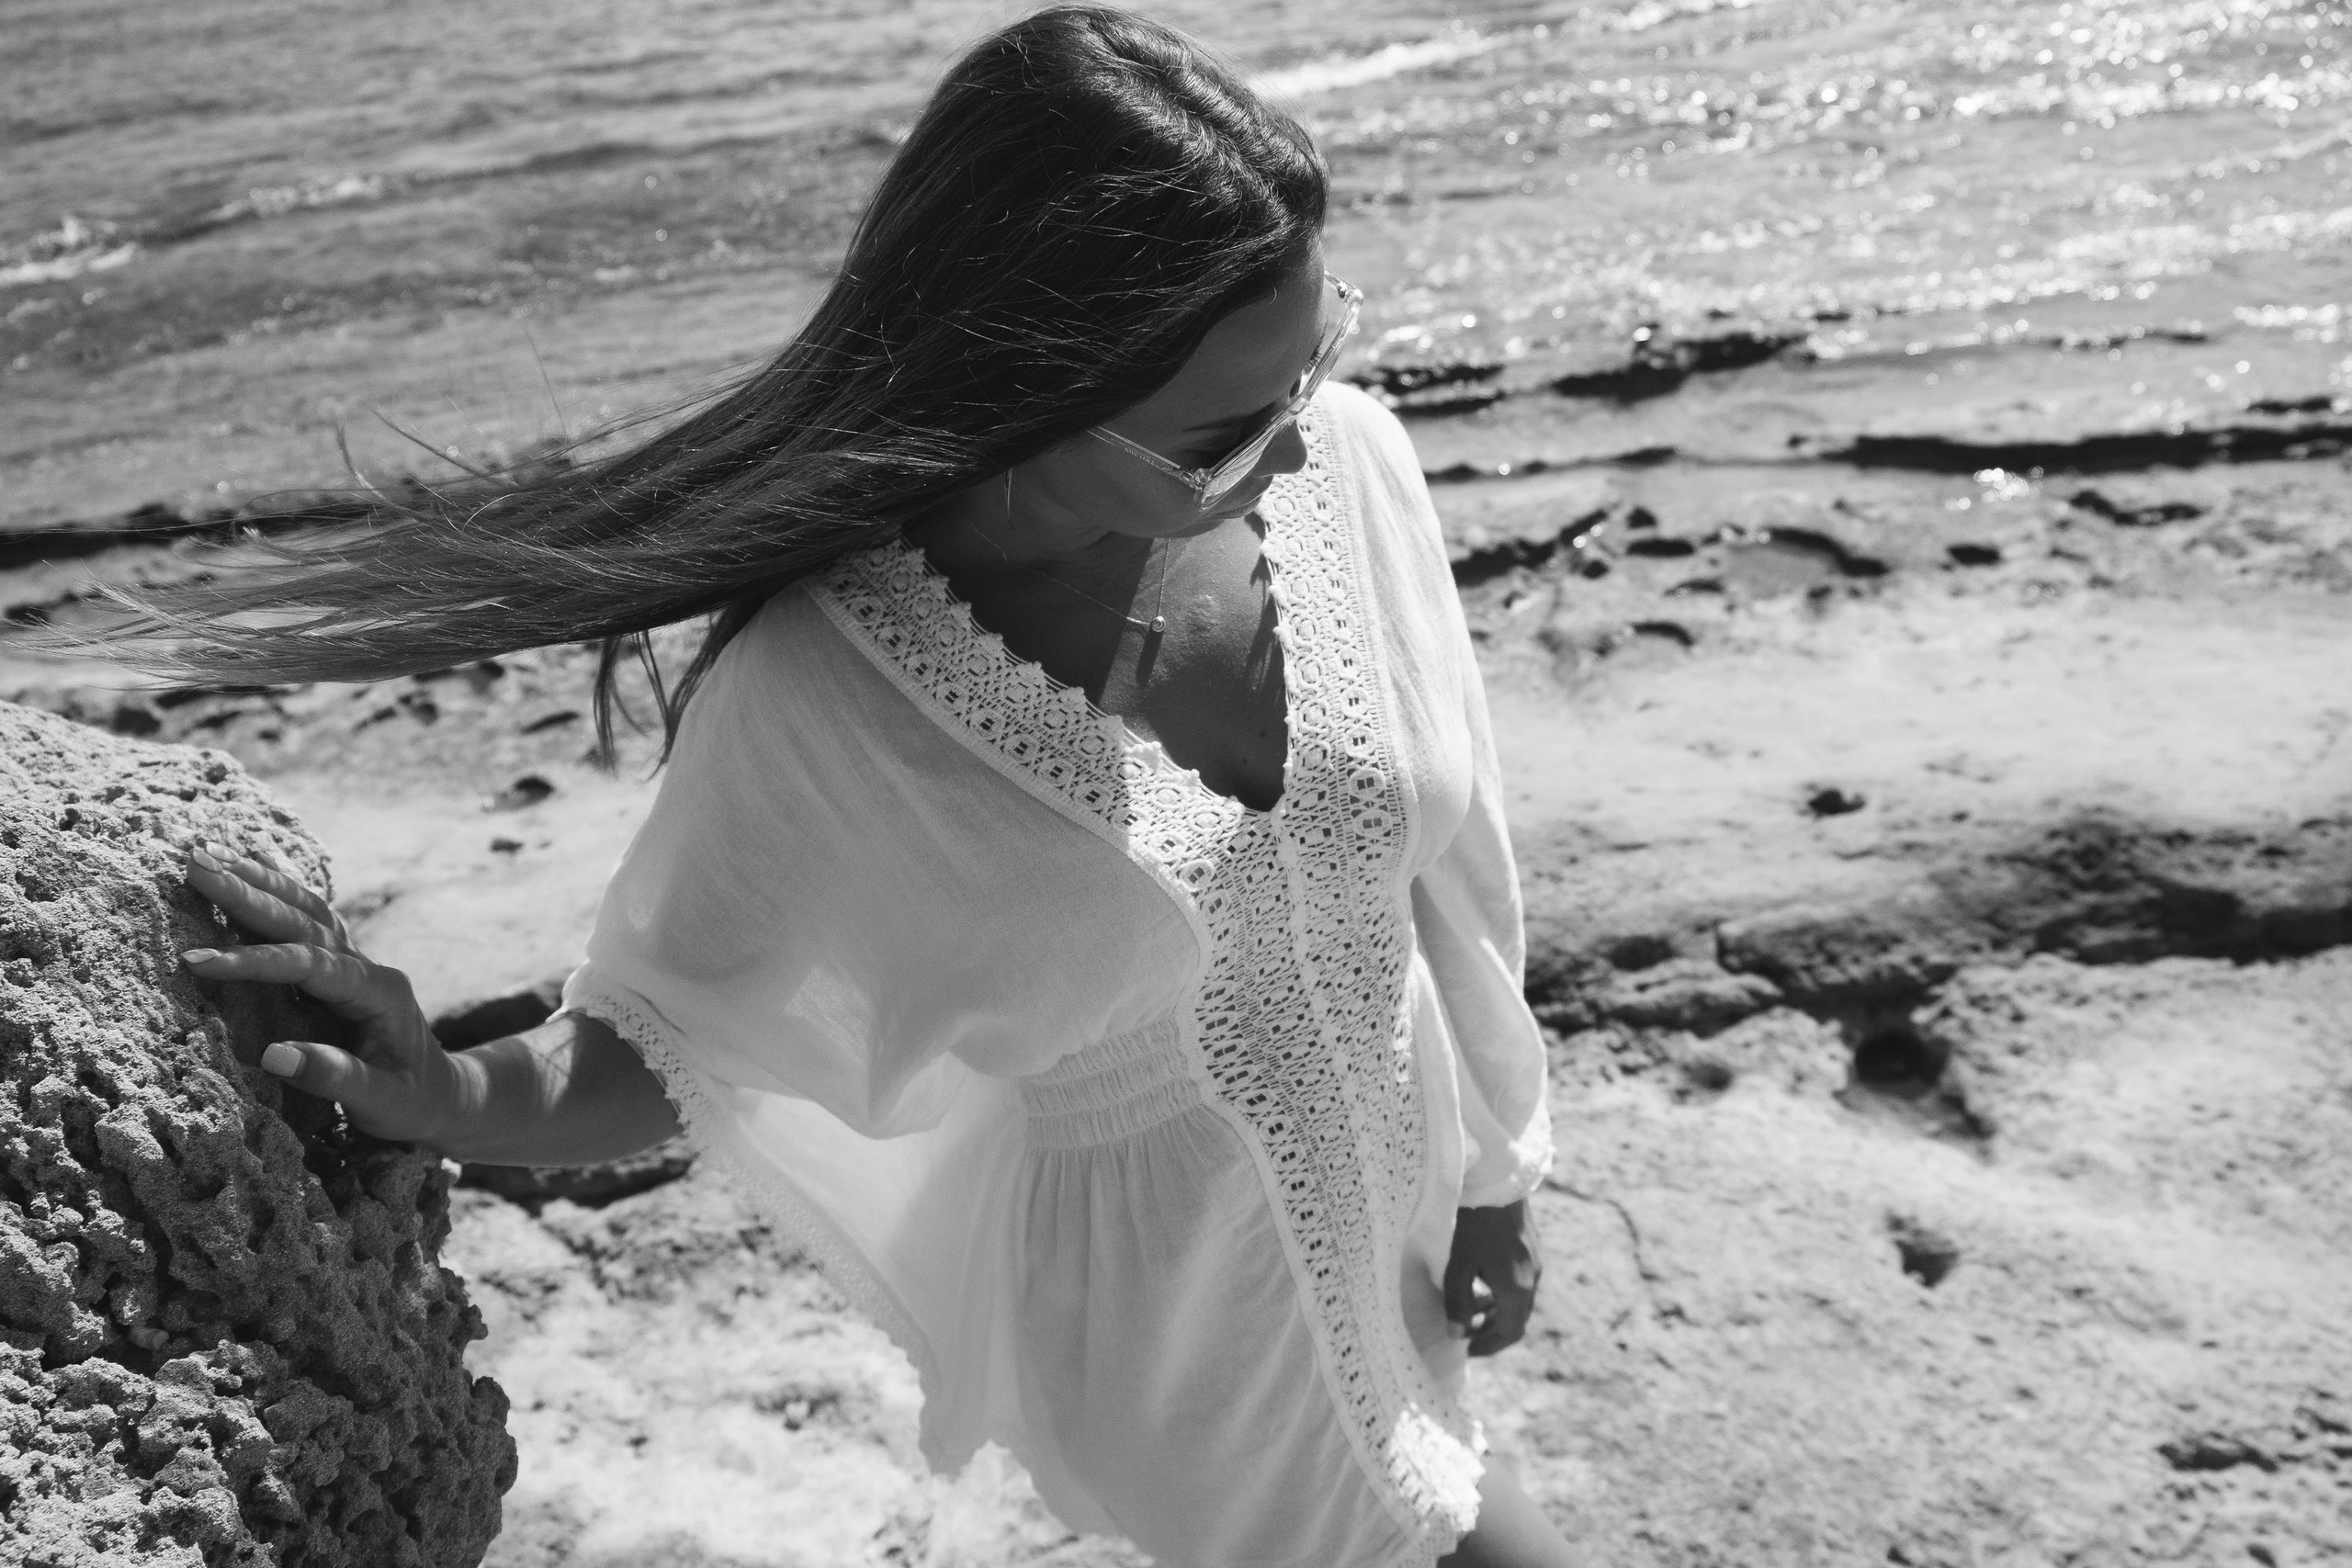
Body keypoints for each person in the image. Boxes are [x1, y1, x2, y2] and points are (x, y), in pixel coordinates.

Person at [151, 8, 1574, 1564]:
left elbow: (1459, 851)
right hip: (1196, 1361)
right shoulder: (835, 701)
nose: (1299, 451)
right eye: (1224, 436)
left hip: (1413, 1218)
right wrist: (444, 1091)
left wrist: (1502, 1170)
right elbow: (670, 1035)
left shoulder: (1346, 462)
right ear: (1016, 391)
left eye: (1319, 353)